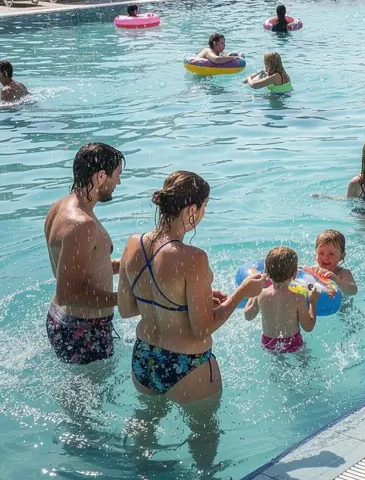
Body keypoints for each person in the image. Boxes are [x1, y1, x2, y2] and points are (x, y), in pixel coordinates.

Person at [117, 171, 264, 402]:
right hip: (186, 363)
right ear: (191, 210)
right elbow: (202, 330)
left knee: (145, 429)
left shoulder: (134, 243)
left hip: (144, 357)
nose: (204, 214)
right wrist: (241, 293)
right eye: (204, 207)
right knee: (204, 436)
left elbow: (126, 309)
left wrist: (186, 303)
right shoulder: (193, 258)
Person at [43, 143, 124, 365]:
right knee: (88, 399)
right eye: (116, 176)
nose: (118, 182)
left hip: (70, 323)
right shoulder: (81, 224)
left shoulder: (59, 205)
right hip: (83, 329)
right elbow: (68, 293)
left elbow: (84, 267)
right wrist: (127, 300)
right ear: (100, 176)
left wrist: (129, 264)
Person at [244, 246, 318, 354]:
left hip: (268, 343)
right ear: (295, 273)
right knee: (304, 363)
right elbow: (308, 327)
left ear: (267, 272)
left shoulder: (261, 294)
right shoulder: (298, 297)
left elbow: (248, 316)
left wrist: (253, 294)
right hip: (293, 343)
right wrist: (312, 302)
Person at [310, 229, 359, 298]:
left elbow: (353, 291)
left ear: (342, 256)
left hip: (341, 305)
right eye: (321, 253)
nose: (325, 258)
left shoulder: (343, 273)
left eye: (331, 254)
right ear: (315, 254)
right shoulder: (312, 271)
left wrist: (336, 280)